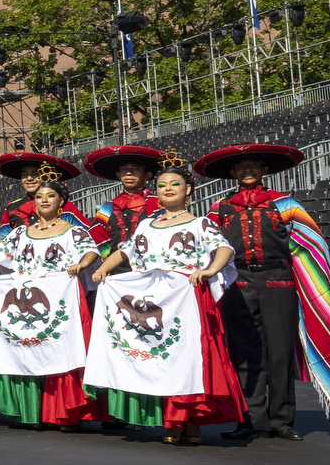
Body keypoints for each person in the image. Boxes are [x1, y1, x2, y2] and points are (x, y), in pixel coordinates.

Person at [89, 155, 245, 445]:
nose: (168, 189)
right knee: (159, 357)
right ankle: (173, 420)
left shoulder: (201, 224)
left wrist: (210, 269)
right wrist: (102, 269)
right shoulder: (147, 225)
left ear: (189, 189)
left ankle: (191, 420)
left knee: (188, 359)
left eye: (176, 184)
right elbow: (125, 251)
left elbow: (223, 249)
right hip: (152, 299)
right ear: (156, 191)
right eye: (162, 185)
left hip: (187, 299)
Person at [197, 143, 330, 439]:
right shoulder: (219, 208)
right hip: (236, 284)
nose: (247, 171)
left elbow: (311, 245)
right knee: (244, 353)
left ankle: (281, 420)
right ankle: (250, 419)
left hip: (279, 282)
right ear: (232, 173)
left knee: (279, 353)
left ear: (265, 169)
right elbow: (207, 248)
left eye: (253, 166)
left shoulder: (286, 204)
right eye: (241, 167)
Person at [0, 171, 101, 430]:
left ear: (61, 202)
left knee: (59, 350)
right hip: (26, 298)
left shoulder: (73, 231)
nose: (44, 200)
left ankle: (64, 412)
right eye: (39, 196)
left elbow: (91, 251)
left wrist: (81, 264)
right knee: (27, 348)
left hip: (60, 299)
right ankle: (34, 411)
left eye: (51, 196)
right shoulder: (21, 233)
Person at [0, 153, 96, 240]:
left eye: (35, 173)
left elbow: (89, 236)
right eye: (24, 174)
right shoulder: (12, 208)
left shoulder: (64, 206)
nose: (29, 178)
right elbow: (2, 242)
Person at [82, 146, 166, 252]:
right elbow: (98, 237)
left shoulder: (159, 204)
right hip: (115, 267)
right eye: (124, 169)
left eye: (136, 169)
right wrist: (109, 262)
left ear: (147, 175)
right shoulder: (107, 208)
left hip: (150, 265)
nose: (129, 173)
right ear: (118, 175)